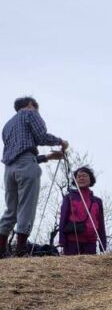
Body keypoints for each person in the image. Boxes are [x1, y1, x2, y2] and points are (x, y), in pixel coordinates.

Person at [1, 96, 68, 257]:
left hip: (9, 169)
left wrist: (48, 158)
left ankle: (1, 250)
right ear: (30, 105)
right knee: (27, 208)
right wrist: (61, 142)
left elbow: (19, 154)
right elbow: (41, 137)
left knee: (11, 210)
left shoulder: (7, 126)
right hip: (26, 165)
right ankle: (21, 250)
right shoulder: (30, 113)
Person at [58, 166, 107, 255]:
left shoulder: (97, 201)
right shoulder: (69, 197)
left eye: (84, 175)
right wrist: (62, 240)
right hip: (72, 240)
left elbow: (101, 223)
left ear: (90, 179)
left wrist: (102, 244)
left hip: (90, 242)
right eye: (78, 176)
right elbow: (63, 219)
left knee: (89, 267)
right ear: (75, 180)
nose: (81, 178)